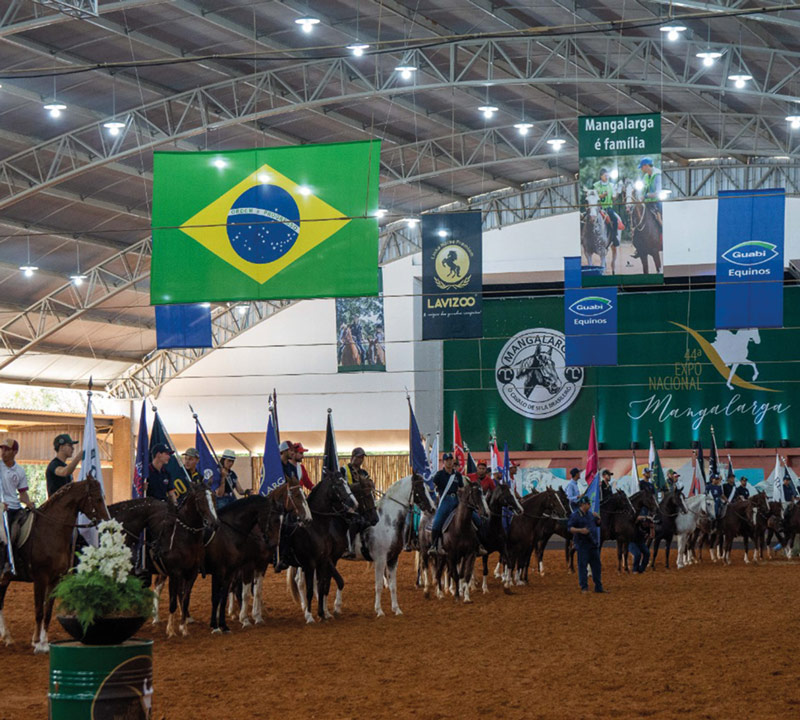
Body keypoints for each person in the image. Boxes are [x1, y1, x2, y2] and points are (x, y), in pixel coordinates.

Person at [0, 439, 35, 575]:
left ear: (15, 452)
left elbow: (22, 494)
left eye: (7, 449)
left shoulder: (20, 471)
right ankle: (4, 565)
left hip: (16, 508)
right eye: (2, 449)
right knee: (7, 534)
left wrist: (29, 503)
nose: (3, 452)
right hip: (1, 509)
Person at [567, 495, 606, 593]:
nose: (590, 505)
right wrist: (580, 530)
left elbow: (597, 524)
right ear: (583, 504)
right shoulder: (575, 515)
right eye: (588, 504)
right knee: (582, 566)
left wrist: (599, 519)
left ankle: (598, 587)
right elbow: (570, 528)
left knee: (597, 566)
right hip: (582, 544)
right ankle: (584, 587)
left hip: (593, 543)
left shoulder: (590, 515)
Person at [429, 452, 464, 555]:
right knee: (437, 521)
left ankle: (478, 544)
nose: (449, 462)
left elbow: (461, 488)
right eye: (447, 460)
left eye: (450, 460)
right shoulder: (439, 475)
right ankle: (434, 545)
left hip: (456, 500)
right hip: (445, 500)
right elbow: (432, 487)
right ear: (443, 462)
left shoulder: (457, 475)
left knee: (473, 516)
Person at [340, 447, 373, 558]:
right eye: (358, 457)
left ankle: (367, 546)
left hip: (363, 503)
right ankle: (347, 547)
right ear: (352, 457)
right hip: (348, 504)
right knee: (353, 521)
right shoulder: (344, 470)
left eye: (362, 457)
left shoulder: (364, 472)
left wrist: (370, 485)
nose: (361, 459)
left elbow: (370, 484)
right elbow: (344, 487)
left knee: (373, 519)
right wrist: (361, 486)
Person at [593, 168, 622, 267]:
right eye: (605, 175)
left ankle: (614, 238)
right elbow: (595, 196)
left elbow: (613, 198)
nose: (607, 177)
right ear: (601, 176)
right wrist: (602, 195)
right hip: (599, 208)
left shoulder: (611, 185)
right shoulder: (596, 185)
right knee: (588, 218)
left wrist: (618, 192)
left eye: (608, 175)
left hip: (608, 208)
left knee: (614, 219)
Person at [46, 433, 81, 498]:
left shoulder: (65, 466)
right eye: (70, 445)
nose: (73, 448)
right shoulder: (54, 464)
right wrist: (78, 457)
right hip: (56, 505)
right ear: (61, 447)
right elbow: (64, 472)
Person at [638, 157, 663, 227]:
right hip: (648, 203)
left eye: (641, 167)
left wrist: (646, 196)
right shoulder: (645, 176)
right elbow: (642, 189)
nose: (641, 169)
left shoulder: (657, 175)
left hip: (658, 202)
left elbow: (658, 193)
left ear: (646, 166)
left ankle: (664, 231)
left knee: (659, 219)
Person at [629, 506, 653, 574]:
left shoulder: (648, 528)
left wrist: (652, 528)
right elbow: (636, 518)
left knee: (647, 553)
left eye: (648, 523)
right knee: (637, 554)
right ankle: (635, 569)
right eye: (646, 522)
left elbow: (652, 536)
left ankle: (641, 569)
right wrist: (646, 517)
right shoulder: (637, 523)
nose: (646, 524)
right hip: (632, 542)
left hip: (640, 542)